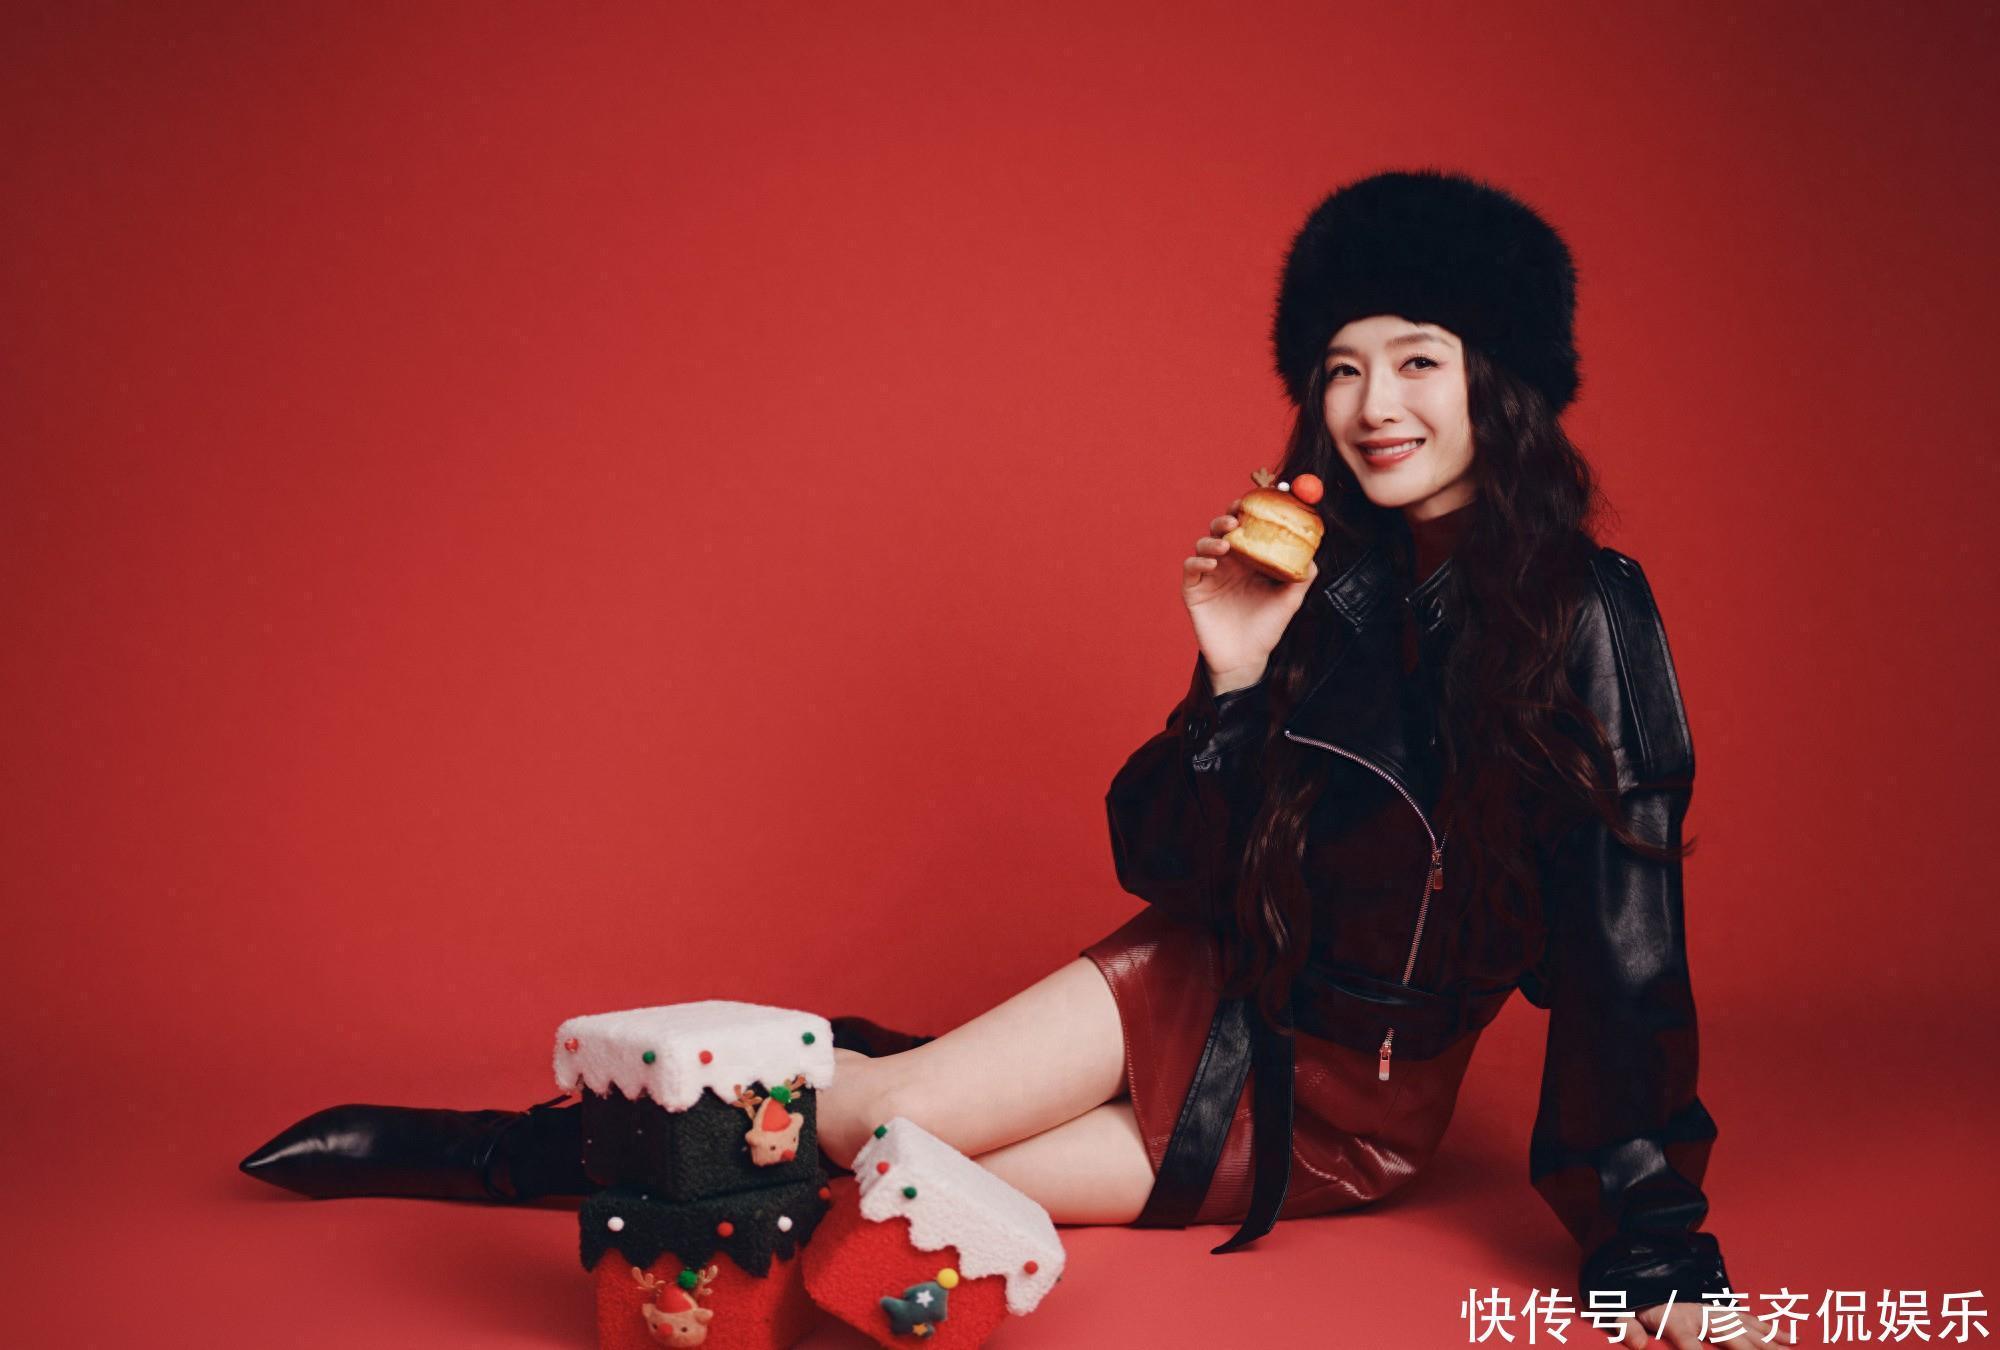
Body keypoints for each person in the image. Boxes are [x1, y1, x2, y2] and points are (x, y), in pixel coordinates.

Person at [241, 169, 1771, 1349]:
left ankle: (710, 1108)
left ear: (1501, 379)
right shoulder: (1311, 580)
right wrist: (1233, 668)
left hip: (1353, 1109)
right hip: (1205, 978)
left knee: (881, 1174)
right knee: (867, 1118)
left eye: (1418, 361)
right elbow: (1165, 859)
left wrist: (1650, 1236)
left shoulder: (1589, 615)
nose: (1375, 407)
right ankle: (487, 1153)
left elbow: (1626, 947)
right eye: (1343, 368)